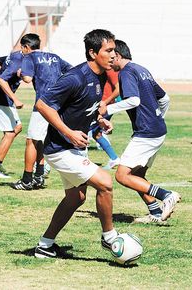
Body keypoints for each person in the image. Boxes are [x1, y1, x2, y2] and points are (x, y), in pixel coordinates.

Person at [33, 29, 120, 259]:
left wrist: (99, 121)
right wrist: (69, 132)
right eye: (108, 50)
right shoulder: (75, 77)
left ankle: (45, 245)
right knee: (105, 182)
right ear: (92, 53)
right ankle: (109, 237)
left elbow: (81, 108)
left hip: (72, 148)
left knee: (76, 198)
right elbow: (43, 105)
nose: (113, 55)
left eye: (114, 50)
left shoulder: (101, 75)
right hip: (60, 149)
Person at [99, 39, 181, 224]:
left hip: (147, 133)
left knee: (121, 175)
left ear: (118, 55)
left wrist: (108, 109)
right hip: (157, 129)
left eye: (112, 55)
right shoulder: (141, 69)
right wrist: (158, 117)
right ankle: (156, 213)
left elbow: (134, 100)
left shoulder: (126, 72)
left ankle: (166, 195)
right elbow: (165, 98)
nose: (110, 60)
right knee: (136, 176)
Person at [11, 33, 72, 190]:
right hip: (59, 105)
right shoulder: (54, 57)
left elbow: (27, 79)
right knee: (41, 140)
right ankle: (38, 176)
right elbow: (71, 71)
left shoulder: (29, 58)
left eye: (22, 48)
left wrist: (20, 73)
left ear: (26, 47)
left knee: (31, 141)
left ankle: (26, 180)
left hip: (44, 104)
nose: (21, 51)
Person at [0, 50, 24, 178]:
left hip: (3, 98)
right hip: (1, 98)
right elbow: (2, 80)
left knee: (17, 128)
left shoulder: (14, 55)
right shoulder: (18, 59)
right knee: (10, 133)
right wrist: (15, 98)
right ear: (26, 48)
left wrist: (3, 72)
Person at [90, 69, 120, 169]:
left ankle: (81, 160)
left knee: (85, 129)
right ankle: (114, 159)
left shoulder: (111, 70)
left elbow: (118, 89)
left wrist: (105, 102)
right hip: (103, 105)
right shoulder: (104, 69)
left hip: (105, 107)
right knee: (96, 133)